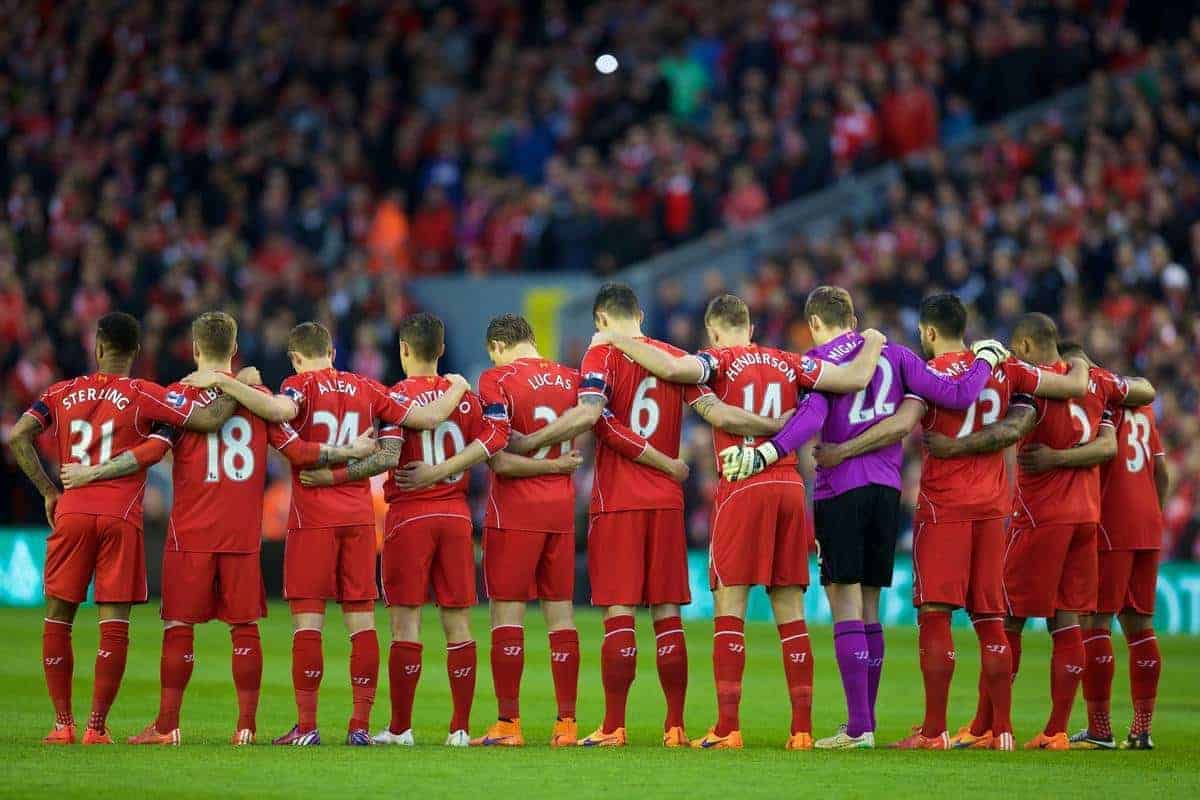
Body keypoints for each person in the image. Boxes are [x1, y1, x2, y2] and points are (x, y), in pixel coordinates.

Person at [58, 311, 376, 746]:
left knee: (178, 627)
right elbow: (298, 450)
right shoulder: (258, 397)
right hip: (243, 534)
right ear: (235, 350)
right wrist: (348, 450)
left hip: (191, 532)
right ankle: (246, 727)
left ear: (193, 349)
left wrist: (93, 473)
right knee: (244, 629)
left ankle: (168, 726)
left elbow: (152, 450)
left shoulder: (177, 397)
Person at [592, 293, 884, 750]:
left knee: (731, 609)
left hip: (741, 481)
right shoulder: (790, 361)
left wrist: (613, 336)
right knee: (791, 611)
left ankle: (728, 726)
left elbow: (673, 371)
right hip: (790, 487)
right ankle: (802, 731)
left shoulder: (715, 360)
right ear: (750, 327)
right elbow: (855, 377)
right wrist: (873, 339)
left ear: (712, 331)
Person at [721, 286, 1005, 749]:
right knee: (870, 607)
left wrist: (768, 451)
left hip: (841, 488)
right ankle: (864, 723)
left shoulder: (818, 363)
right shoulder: (897, 355)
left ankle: (859, 727)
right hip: (886, 490)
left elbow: (811, 417)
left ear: (815, 323)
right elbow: (957, 395)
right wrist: (986, 360)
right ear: (852, 318)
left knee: (846, 606)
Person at [511, 282, 785, 748]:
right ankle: (674, 725)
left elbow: (592, 416)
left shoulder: (600, 356)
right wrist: (779, 429)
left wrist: (531, 443)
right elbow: (715, 411)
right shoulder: (675, 358)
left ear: (600, 321)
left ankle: (614, 725)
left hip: (618, 499)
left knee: (619, 610)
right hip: (667, 501)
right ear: (639, 316)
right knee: (666, 614)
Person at [811, 294, 1090, 750]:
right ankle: (1001, 731)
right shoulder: (1004, 368)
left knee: (936, 612)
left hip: (944, 506)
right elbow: (1071, 387)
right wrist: (1080, 363)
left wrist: (841, 451)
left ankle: (935, 730)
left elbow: (901, 424)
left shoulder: (929, 375)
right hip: (995, 506)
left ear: (929, 333)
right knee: (990, 615)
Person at [184, 321, 470, 746]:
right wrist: (459, 387)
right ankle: (358, 726)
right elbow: (430, 417)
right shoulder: (367, 387)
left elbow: (286, 427)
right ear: (333, 352)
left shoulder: (297, 387)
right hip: (358, 517)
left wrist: (229, 384)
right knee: (362, 622)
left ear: (296, 358)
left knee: (308, 623)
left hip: (313, 516)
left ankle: (307, 726)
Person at [8, 311, 239, 745]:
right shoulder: (143, 393)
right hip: (120, 517)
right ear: (135, 352)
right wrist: (239, 384)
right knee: (114, 623)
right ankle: (96, 728)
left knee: (58, 619)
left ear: (96, 348)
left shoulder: (62, 391)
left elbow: (19, 435)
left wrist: (48, 491)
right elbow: (209, 420)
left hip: (72, 512)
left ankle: (63, 725)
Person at [933, 315, 1154, 750]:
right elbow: (1145, 390)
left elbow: (1013, 428)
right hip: (1087, 517)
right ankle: (1056, 731)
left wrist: (957, 448)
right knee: (1067, 620)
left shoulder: (1032, 383)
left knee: (1007, 620)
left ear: (1027, 346)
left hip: (1040, 516)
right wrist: (1090, 371)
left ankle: (986, 727)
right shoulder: (1098, 382)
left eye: (1018, 350)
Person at [299, 313, 505, 747]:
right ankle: (461, 729)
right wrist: (450, 469)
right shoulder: (464, 399)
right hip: (455, 516)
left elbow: (388, 455)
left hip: (409, 516)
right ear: (442, 350)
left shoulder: (396, 398)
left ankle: (400, 728)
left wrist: (339, 475)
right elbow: (496, 439)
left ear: (404, 350)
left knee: (405, 626)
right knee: (459, 624)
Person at [467, 314, 671, 748]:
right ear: (533, 339)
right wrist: (559, 468)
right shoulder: (572, 377)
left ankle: (508, 724)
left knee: (508, 614)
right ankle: (567, 724)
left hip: (514, 510)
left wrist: (544, 463)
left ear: (498, 347)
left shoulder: (495, 378)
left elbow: (499, 457)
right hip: (561, 509)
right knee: (561, 615)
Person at [1026, 344, 1167, 751]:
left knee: (1094, 624)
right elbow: (1161, 470)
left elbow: (1100, 453)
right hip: (1148, 525)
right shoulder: (1142, 408)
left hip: (1110, 523)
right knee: (1140, 626)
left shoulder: (1094, 405)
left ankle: (1100, 729)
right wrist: (1152, 513)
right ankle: (1141, 729)